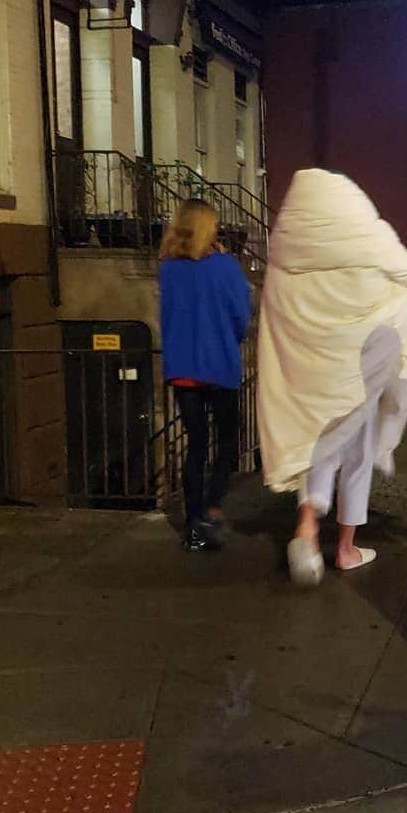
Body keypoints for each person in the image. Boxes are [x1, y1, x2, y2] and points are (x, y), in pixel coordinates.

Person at [258, 169, 407, 587]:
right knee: (359, 453)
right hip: (360, 371)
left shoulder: (288, 251)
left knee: (319, 444)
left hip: (314, 372)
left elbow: (278, 314)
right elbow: (403, 282)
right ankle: (346, 548)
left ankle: (307, 529)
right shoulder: (367, 242)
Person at [159, 199, 252, 551]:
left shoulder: (168, 269)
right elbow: (241, 315)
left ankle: (193, 521)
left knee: (196, 443)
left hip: (182, 369)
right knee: (227, 438)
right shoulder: (225, 267)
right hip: (218, 364)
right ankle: (213, 507)